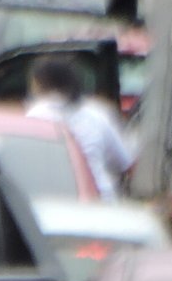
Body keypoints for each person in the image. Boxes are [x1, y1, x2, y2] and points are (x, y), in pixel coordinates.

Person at [26, 55, 134, 201]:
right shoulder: (97, 113)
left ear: (38, 83)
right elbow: (124, 163)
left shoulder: (34, 117)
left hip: (55, 203)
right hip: (102, 202)